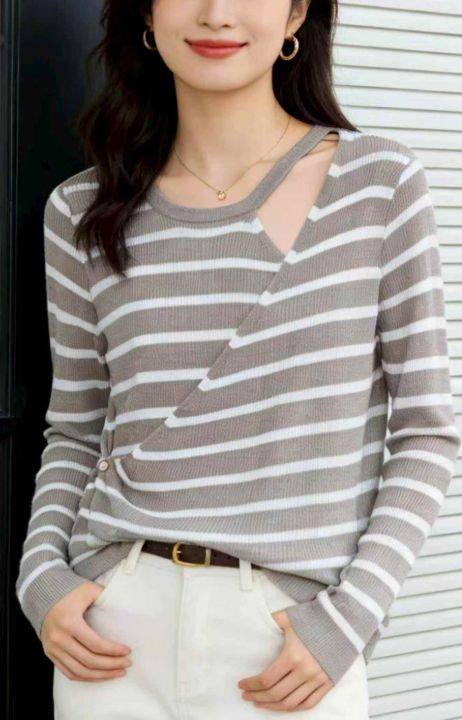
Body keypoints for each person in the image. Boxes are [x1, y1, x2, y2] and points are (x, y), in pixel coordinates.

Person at [15, 1, 460, 718]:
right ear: (146, 13)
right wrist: (41, 578)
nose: (217, 13)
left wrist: (350, 618)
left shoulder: (378, 184)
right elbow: (74, 428)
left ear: (296, 15)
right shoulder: (80, 210)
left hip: (288, 645)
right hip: (113, 637)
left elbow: (427, 434)